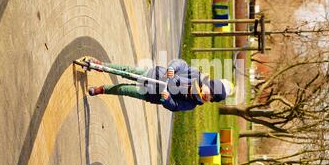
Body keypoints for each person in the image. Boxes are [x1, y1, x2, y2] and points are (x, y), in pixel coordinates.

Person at [85, 58, 232, 112]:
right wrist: (172, 68)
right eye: (210, 92)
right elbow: (181, 64)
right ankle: (101, 65)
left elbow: (175, 106)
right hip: (153, 75)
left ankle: (103, 89)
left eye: (211, 98)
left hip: (150, 93)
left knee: (125, 89)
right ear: (208, 84)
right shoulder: (195, 74)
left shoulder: (191, 104)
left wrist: (167, 99)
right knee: (127, 71)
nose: (208, 96)